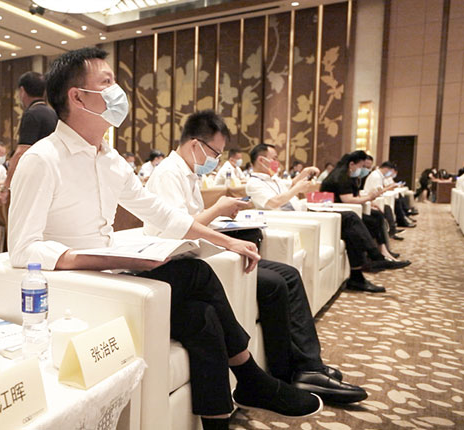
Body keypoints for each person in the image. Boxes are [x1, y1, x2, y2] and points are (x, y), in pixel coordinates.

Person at [9, 47, 323, 430]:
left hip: (113, 279)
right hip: (74, 288)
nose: (118, 92)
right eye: (107, 82)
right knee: (196, 273)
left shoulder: (110, 160)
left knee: (204, 317)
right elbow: (22, 248)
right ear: (77, 97)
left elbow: (161, 213)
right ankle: (252, 379)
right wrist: (99, 258)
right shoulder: (42, 159)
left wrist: (227, 241)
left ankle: (221, 419)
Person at [145, 110, 367, 404]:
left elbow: (193, 223)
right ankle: (287, 371)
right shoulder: (168, 174)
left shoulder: (189, 175)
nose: (217, 161)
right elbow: (177, 228)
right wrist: (219, 213)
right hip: (187, 261)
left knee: (289, 274)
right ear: (196, 144)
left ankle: (308, 365)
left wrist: (225, 224)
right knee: (273, 284)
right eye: (215, 153)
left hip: (203, 251)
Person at [248, 145, 409, 293]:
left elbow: (289, 186)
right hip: (292, 219)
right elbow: (273, 202)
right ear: (262, 160)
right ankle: (375, 257)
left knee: (349, 228)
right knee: (350, 218)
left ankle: (358, 275)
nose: (277, 162)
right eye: (274, 158)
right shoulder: (254, 183)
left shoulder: (273, 178)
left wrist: (304, 173)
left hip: (303, 212)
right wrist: (297, 189)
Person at [320, 150, 410, 270]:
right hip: (336, 212)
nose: (363, 170)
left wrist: (370, 201)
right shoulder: (341, 177)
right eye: (362, 166)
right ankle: (376, 256)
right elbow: (348, 200)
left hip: (346, 210)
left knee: (376, 216)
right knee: (368, 220)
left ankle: (383, 252)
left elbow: (354, 196)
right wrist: (369, 197)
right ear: (351, 164)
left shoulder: (349, 176)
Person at [0, 71, 58, 206]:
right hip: (54, 176)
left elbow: (21, 152)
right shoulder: (53, 113)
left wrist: (4, 188)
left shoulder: (31, 114)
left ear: (22, 91)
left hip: (37, 179)